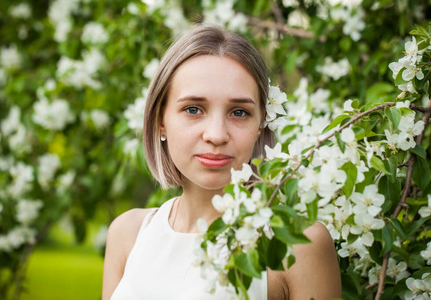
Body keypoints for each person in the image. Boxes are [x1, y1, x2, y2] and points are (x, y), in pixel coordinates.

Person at [102, 25, 341, 300]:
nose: (216, 135)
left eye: (239, 112)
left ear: (261, 126)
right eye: (193, 109)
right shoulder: (128, 234)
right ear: (160, 121)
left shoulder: (298, 244)